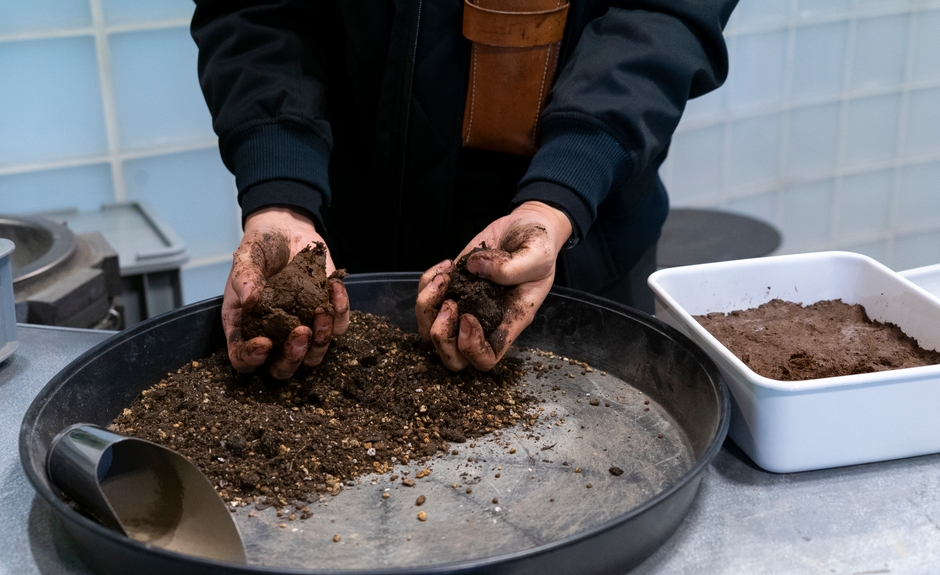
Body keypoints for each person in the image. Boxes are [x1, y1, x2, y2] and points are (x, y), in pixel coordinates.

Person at [191, 0, 737, 379]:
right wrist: (280, 193)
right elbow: (257, 15)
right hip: (343, 248)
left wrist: (562, 191)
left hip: (576, 245)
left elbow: (662, 19)